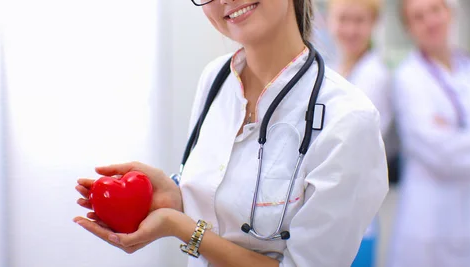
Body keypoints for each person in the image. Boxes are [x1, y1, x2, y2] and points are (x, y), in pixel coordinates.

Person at [74, 0, 389, 266]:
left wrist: (182, 228)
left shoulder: (348, 119)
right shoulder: (215, 80)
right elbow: (224, 209)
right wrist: (177, 199)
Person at [387, 0, 470, 266]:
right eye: (418, 17)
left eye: (435, 10)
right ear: (409, 28)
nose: (430, 21)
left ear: (449, 13)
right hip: (431, 215)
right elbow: (440, 152)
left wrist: (458, 138)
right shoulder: (408, 78)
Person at [326, 0, 394, 266]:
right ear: (329, 22)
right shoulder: (334, 69)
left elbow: (351, 143)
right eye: (343, 19)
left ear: (373, 24)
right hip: (330, 215)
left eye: (360, 21)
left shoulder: (375, 75)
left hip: (355, 219)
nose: (351, 29)